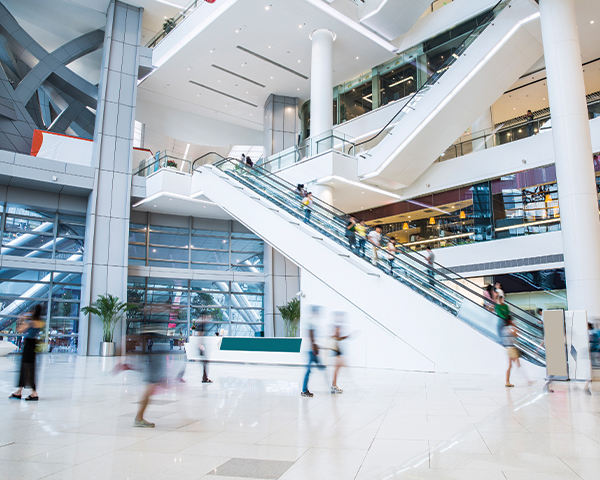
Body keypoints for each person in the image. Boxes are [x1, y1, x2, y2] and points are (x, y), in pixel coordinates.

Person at [10, 305, 44, 401]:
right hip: (33, 345)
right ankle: (19, 391)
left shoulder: (31, 323)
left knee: (26, 368)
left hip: (28, 346)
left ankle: (33, 393)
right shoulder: (39, 322)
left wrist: (22, 319)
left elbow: (19, 330)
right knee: (28, 368)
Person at [302, 306, 325, 397]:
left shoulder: (312, 322)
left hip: (312, 350)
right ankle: (304, 390)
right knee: (309, 370)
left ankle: (304, 389)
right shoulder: (311, 322)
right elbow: (311, 336)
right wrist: (314, 347)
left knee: (319, 368)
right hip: (310, 350)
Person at [330, 314, 350, 394]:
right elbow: (336, 337)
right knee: (337, 368)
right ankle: (334, 385)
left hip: (338, 351)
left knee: (338, 368)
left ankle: (334, 385)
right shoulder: (334, 334)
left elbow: (339, 338)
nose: (339, 331)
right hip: (336, 351)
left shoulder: (336, 334)